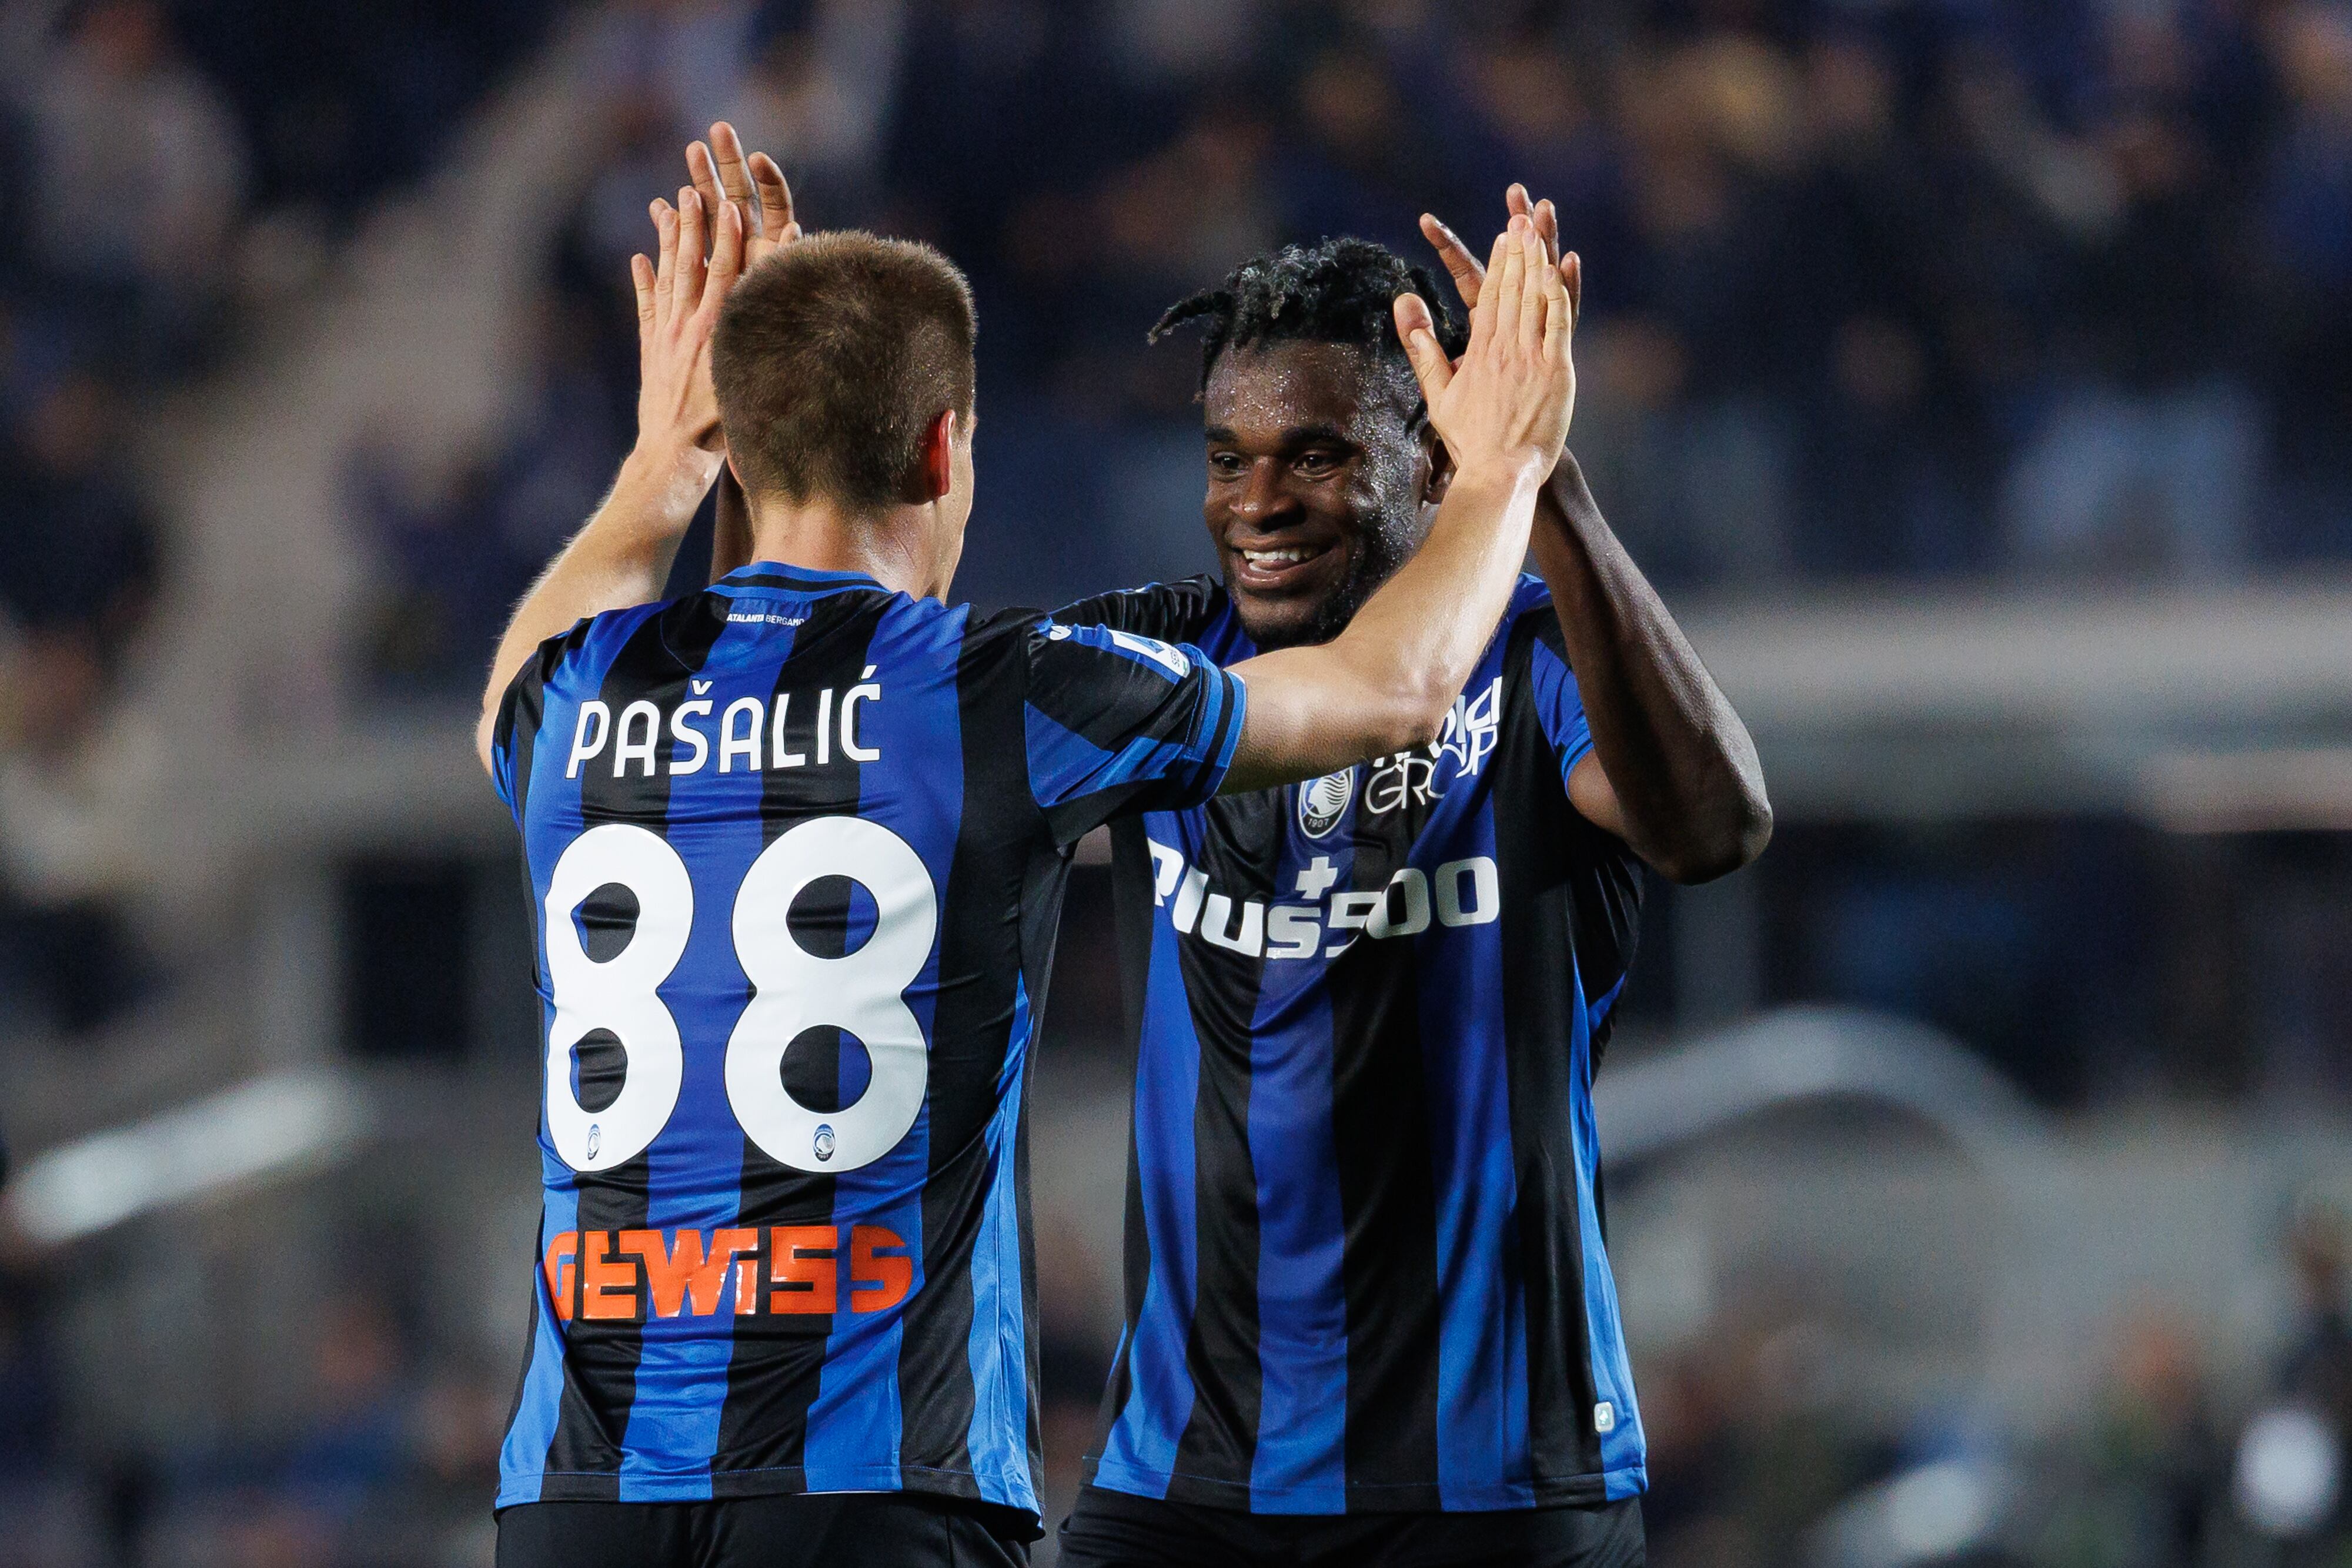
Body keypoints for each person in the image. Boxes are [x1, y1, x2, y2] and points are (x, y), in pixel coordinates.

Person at [474, 152, 1580, 1568]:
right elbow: (1395, 688)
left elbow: (513, 681)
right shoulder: (996, 689)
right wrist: (1502, 467)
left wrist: (661, 460)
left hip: (578, 1493)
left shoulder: (573, 696)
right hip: (876, 1484)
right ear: (943, 449)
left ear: (736, 443)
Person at [1037, 203, 1771, 1568]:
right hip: (1184, 1475)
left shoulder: (1541, 661)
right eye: (1227, 457)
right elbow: (907, 732)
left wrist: (1544, 480)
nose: (1257, 502)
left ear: (1430, 458)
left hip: (1493, 1482)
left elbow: (1711, 826)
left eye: (1315, 455)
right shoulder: (1167, 662)